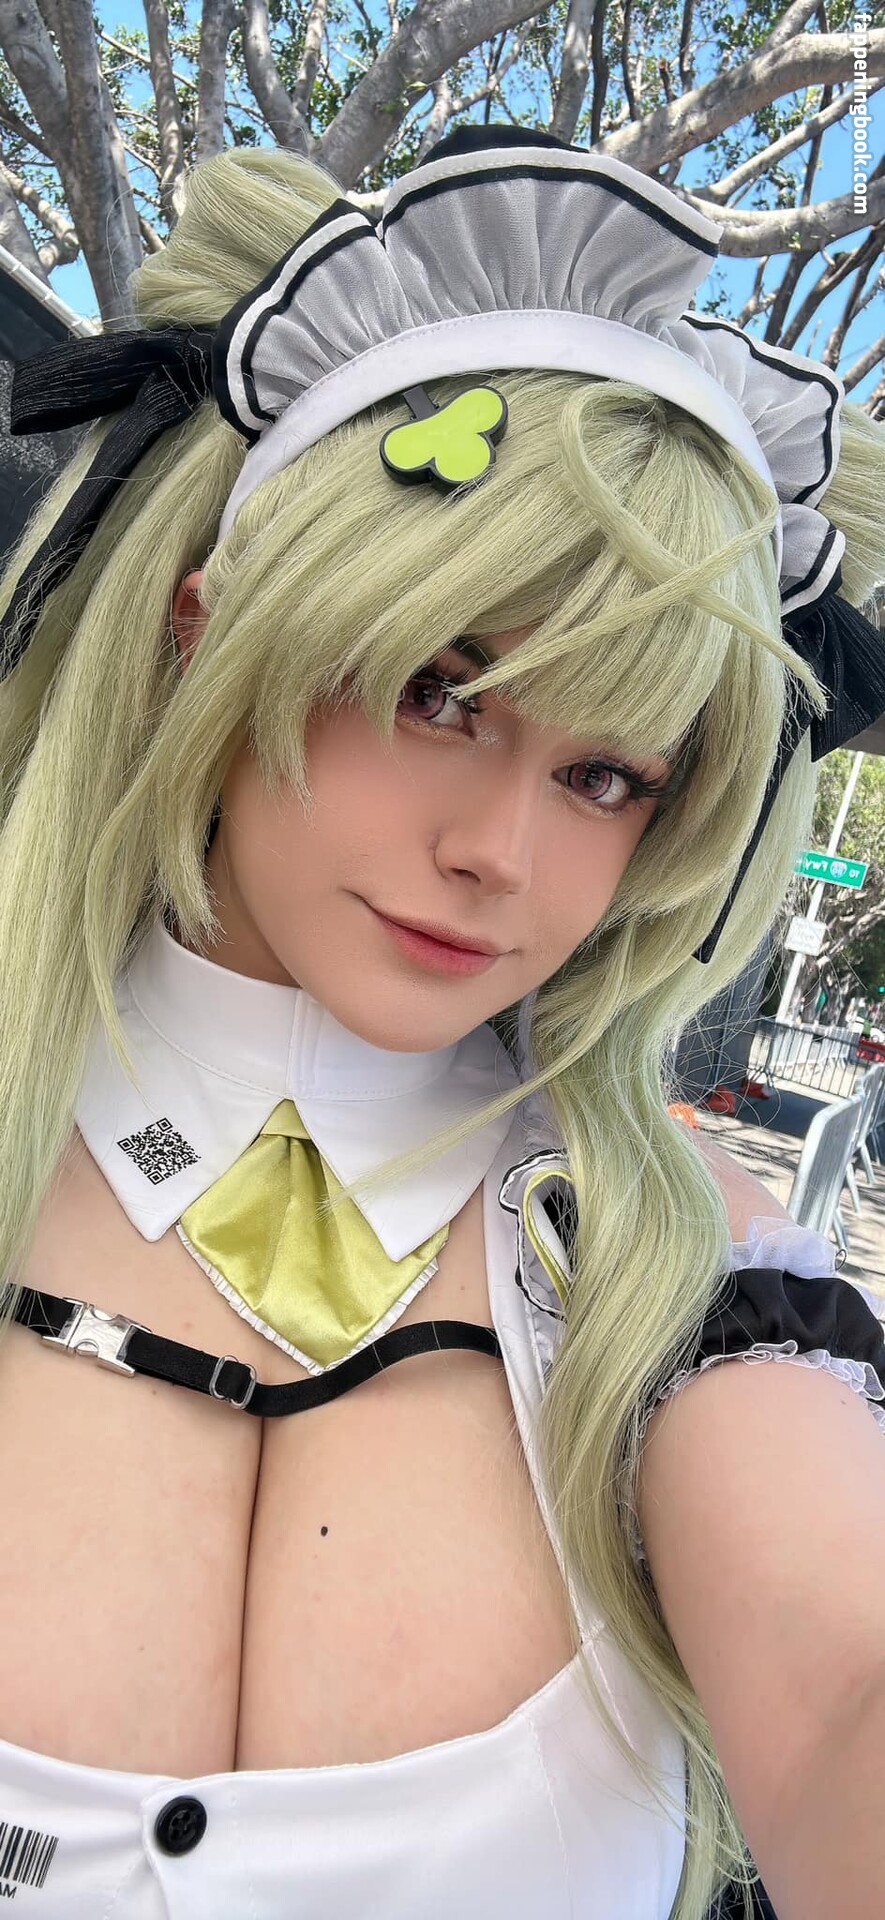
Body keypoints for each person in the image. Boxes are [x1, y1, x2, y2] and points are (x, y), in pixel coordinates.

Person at [0, 125, 884, 1920]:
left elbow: (839, 1699)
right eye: (437, 689)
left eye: (606, 774)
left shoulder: (675, 1273)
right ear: (204, 634)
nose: (500, 853)